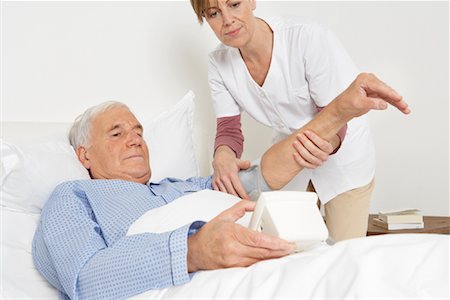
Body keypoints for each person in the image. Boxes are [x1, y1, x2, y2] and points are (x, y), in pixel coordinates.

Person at [32, 74, 408, 299]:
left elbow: (261, 179)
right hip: (210, 283)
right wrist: (195, 251)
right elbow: (85, 282)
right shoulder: (72, 198)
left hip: (280, 263)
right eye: (117, 133)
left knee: (395, 265)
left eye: (139, 132)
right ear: (84, 155)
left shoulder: (184, 188)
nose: (135, 139)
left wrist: (337, 113)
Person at [190, 0, 401, 241]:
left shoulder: (307, 38)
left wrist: (323, 145)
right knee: (292, 250)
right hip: (291, 161)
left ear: (251, 1)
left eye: (235, 4)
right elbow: (229, 129)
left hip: (342, 157)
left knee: (344, 252)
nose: (227, 20)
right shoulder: (219, 63)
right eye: (214, 13)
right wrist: (223, 156)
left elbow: (338, 116)